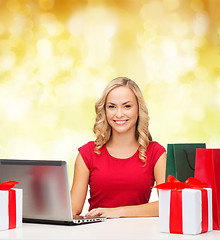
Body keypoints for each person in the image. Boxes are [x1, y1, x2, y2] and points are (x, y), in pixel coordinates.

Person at [71, 77, 166, 218]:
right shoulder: (87, 154)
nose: (119, 114)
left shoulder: (156, 153)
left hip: (140, 233)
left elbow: (168, 204)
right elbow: (72, 209)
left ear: (138, 109)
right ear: (104, 110)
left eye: (127, 106)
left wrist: (119, 212)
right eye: (112, 106)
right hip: (97, 233)